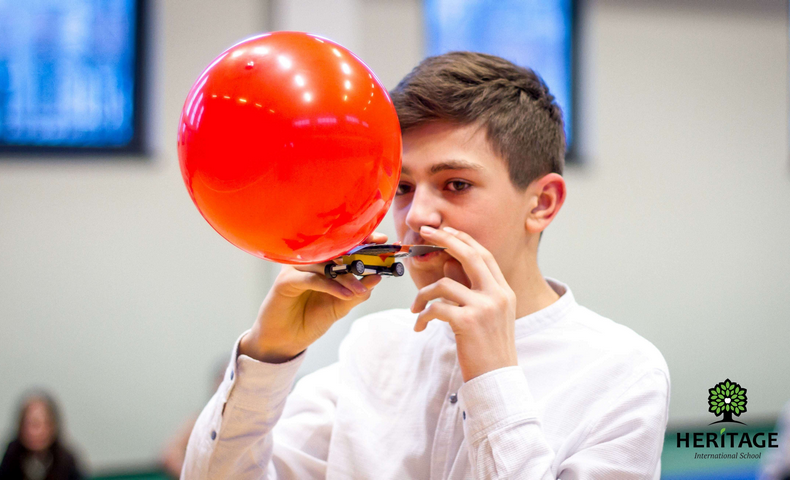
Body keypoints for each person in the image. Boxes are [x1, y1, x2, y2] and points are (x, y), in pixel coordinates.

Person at [183, 51, 670, 479]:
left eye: (456, 184)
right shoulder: (374, 348)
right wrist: (267, 356)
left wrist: (493, 379)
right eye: (402, 187)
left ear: (542, 202)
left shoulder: (623, 372)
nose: (415, 216)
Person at [0, 390, 83, 480]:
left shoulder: (66, 462)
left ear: (52, 427)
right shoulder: (11, 458)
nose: (33, 432)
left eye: (38, 424)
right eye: (28, 424)